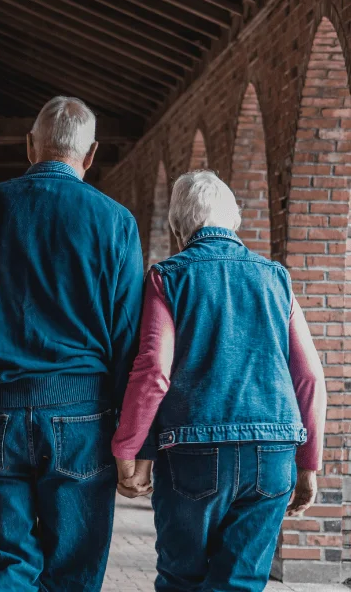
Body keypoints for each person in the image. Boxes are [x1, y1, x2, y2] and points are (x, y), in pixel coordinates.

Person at [0, 96, 145, 591]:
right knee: (74, 570)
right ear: (90, 156)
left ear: (30, 147)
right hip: (82, 418)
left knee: (2, 568)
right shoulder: (115, 221)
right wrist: (131, 437)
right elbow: (131, 340)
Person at [112, 170, 327, 592]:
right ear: (234, 223)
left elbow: (154, 369)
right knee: (241, 582)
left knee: (182, 578)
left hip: (195, 450)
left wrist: (128, 446)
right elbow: (309, 377)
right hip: (274, 450)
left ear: (178, 230)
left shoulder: (168, 277)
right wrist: (309, 462)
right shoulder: (276, 278)